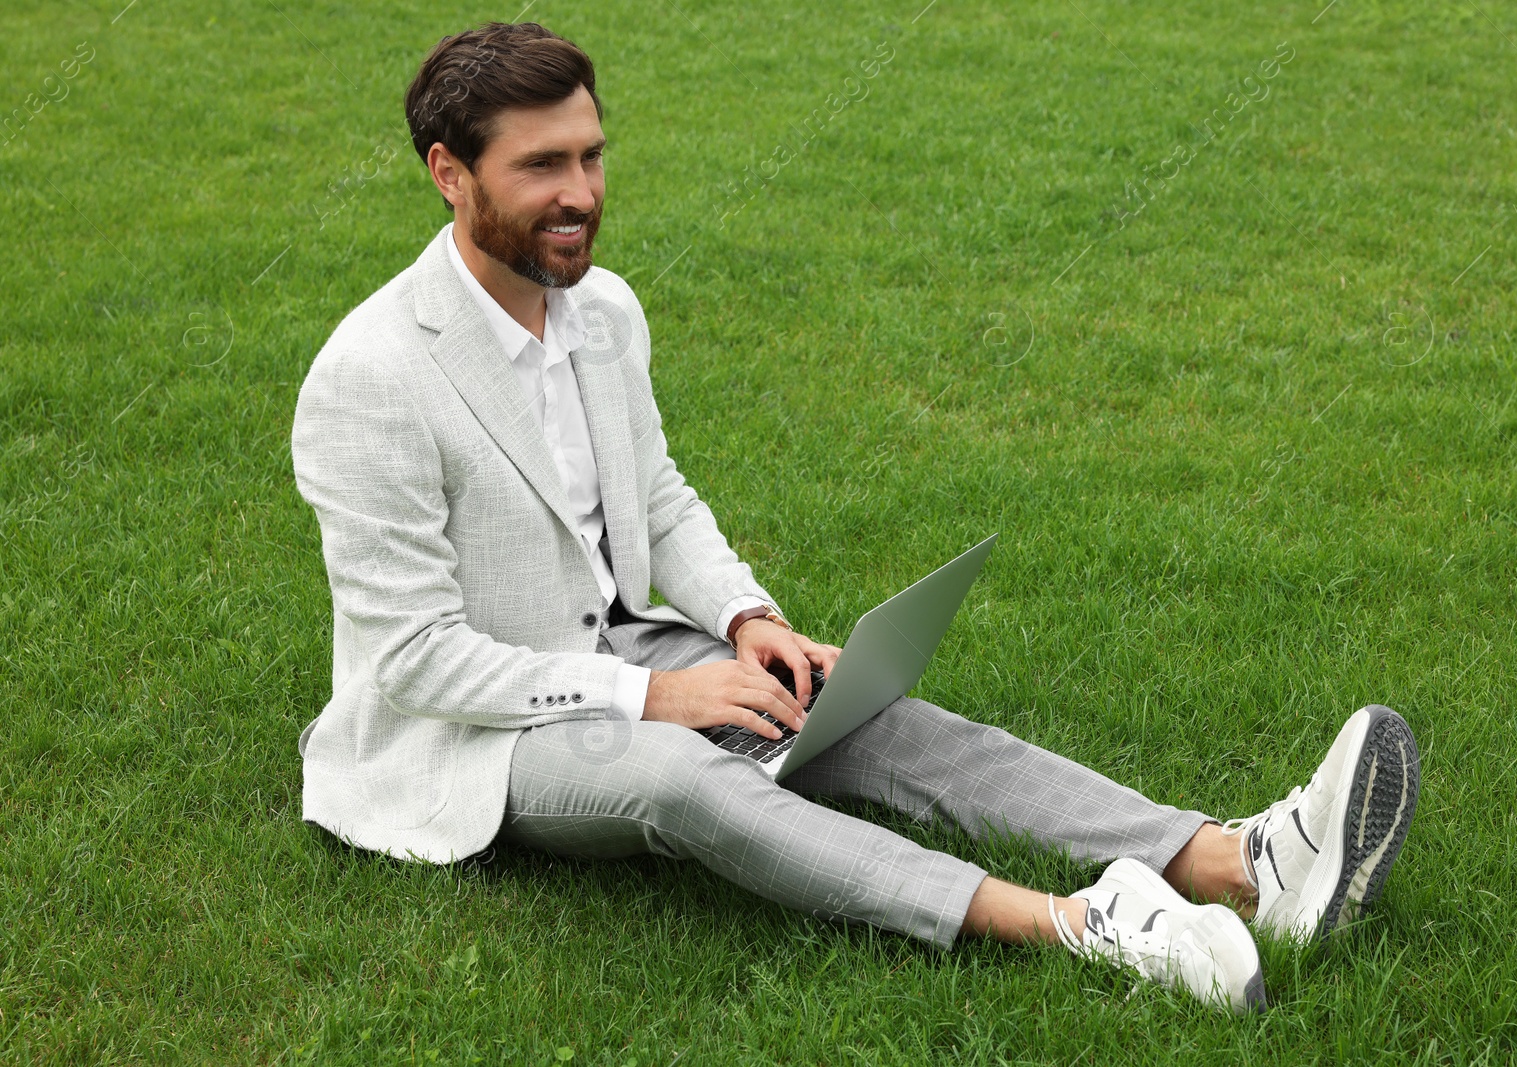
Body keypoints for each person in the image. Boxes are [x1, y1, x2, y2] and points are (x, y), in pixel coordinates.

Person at [290, 21, 1420, 1013]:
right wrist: (657, 696)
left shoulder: (603, 308)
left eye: (590, 156)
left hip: (621, 646)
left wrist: (741, 620)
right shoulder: (373, 375)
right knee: (687, 778)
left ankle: (1238, 861)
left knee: (848, 703)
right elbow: (414, 661)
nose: (580, 191)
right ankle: (1081, 924)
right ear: (449, 172)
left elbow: (654, 496)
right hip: (468, 740)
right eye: (541, 166)